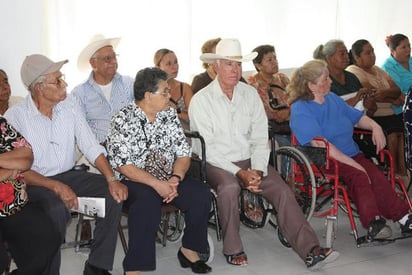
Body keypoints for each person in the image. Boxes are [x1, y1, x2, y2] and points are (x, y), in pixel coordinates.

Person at [189, 38, 339, 270]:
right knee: (229, 188)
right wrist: (240, 173)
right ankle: (232, 247)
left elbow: (260, 138)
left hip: (250, 160)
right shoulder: (201, 100)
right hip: (217, 163)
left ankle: (310, 249)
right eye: (229, 64)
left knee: (280, 188)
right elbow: (207, 148)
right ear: (215, 66)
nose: (235, 70)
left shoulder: (249, 95)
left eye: (238, 65)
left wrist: (257, 170)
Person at [4, 54, 128, 275]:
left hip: (70, 174)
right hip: (34, 181)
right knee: (55, 209)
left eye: (62, 78)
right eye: (57, 80)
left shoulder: (69, 105)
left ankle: (97, 266)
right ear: (39, 88)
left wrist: (111, 178)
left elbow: (89, 143)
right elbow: (19, 168)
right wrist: (56, 187)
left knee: (113, 195)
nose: (65, 84)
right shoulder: (16, 116)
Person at [288, 59, 412, 242]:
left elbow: (357, 118)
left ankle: (403, 218)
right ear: (311, 85)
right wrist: (354, 164)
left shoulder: (332, 99)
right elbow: (322, 146)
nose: (331, 81)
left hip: (350, 153)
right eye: (326, 78)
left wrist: (375, 127)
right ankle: (374, 222)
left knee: (376, 175)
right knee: (359, 176)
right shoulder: (300, 109)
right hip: (325, 159)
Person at [106, 67, 212, 275]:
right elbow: (122, 164)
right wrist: (157, 184)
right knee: (147, 200)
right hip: (132, 180)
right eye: (164, 92)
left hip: (167, 176)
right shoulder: (122, 119)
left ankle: (189, 250)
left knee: (201, 194)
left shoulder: (168, 115)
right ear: (148, 95)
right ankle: (134, 267)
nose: (169, 96)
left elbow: (183, 152)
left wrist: (175, 178)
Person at [0, 116, 61, 275]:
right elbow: (17, 162)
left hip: (13, 204)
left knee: (47, 240)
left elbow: (26, 157)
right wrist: (8, 169)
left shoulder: (1, 123)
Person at [347, 39, 407, 180]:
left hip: (391, 112)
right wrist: (392, 97)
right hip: (374, 115)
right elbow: (371, 93)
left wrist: (388, 94)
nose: (373, 55)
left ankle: (403, 173)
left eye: (373, 51)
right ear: (357, 58)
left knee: (403, 132)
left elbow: (396, 89)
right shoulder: (354, 70)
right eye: (368, 53)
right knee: (392, 134)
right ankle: (393, 174)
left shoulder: (378, 70)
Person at [72, 34, 134, 144]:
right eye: (107, 59)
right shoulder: (79, 93)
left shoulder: (129, 84)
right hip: (98, 153)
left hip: (131, 150)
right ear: (93, 63)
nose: (114, 62)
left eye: (114, 57)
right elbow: (81, 133)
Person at [247, 44, 291, 171]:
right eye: (269, 60)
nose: (275, 62)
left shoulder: (282, 78)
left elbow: (296, 97)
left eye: (275, 58)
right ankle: (287, 181)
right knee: (286, 146)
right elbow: (268, 113)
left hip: (292, 122)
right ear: (258, 65)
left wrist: (290, 111)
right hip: (272, 129)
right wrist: (287, 112)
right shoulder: (253, 84)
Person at [313, 40, 377, 115]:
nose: (347, 57)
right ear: (329, 58)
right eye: (342, 54)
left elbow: (368, 112)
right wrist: (355, 98)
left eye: (346, 53)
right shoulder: (322, 81)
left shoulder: (352, 77)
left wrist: (371, 107)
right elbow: (329, 112)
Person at [154, 48, 193, 130]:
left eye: (176, 62)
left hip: (185, 135)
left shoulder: (185, 88)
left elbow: (194, 118)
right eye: (168, 64)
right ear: (158, 67)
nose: (174, 67)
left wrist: (173, 111)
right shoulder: (152, 90)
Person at [382, 33, 412, 115]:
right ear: (392, 51)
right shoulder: (387, 67)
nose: (408, 49)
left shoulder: (410, 60)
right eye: (403, 47)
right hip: (405, 110)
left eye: (409, 46)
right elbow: (400, 95)